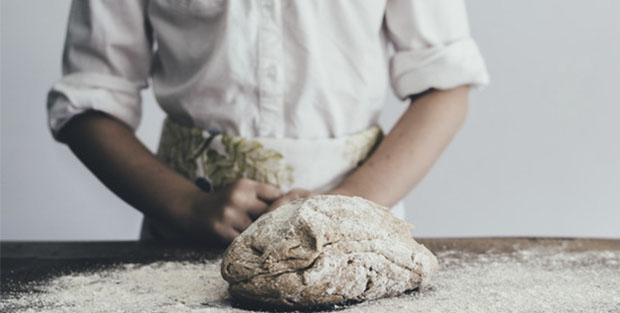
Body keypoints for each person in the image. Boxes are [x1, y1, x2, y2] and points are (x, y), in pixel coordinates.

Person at [48, 0, 489, 245]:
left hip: (357, 233)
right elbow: (89, 101)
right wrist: (184, 207)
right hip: (188, 236)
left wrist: (343, 209)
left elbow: (445, 87)